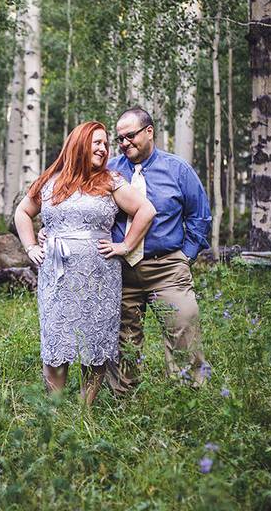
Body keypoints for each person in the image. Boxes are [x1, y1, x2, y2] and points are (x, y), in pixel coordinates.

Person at [15, 121, 155, 405]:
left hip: (99, 275)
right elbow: (22, 212)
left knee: (96, 341)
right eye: (98, 142)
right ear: (79, 143)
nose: (104, 149)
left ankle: (84, 412)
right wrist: (30, 246)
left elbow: (146, 209)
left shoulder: (110, 181)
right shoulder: (49, 181)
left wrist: (125, 246)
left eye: (106, 144)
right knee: (57, 339)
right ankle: (53, 409)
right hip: (57, 275)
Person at [106, 107, 212, 394]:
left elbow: (200, 216)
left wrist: (185, 257)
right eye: (120, 139)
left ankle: (188, 399)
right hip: (120, 270)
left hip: (166, 268)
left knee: (183, 332)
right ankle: (122, 402)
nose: (125, 143)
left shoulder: (178, 169)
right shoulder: (109, 171)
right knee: (123, 341)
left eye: (130, 136)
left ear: (149, 131)